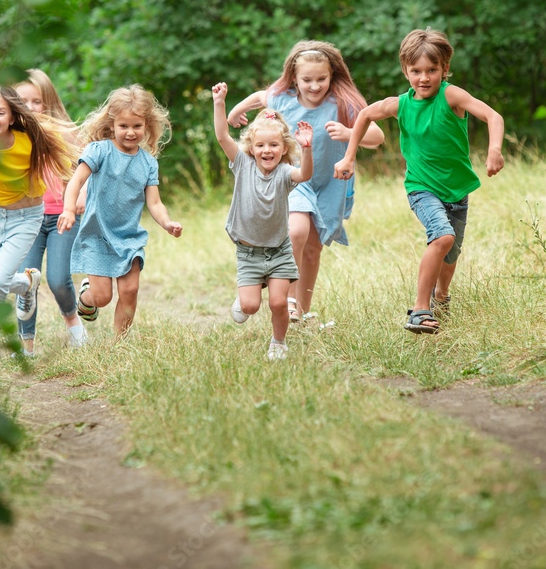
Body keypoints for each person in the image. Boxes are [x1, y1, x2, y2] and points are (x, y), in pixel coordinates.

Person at [333, 28, 505, 333]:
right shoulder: (400, 104)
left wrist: (494, 151)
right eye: (416, 71)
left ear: (444, 69)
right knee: (442, 237)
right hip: (421, 187)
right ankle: (420, 310)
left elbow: (493, 116)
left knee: (450, 256)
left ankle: (440, 297)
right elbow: (364, 116)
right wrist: (348, 156)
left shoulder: (451, 95)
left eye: (432, 70)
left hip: (457, 189)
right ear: (405, 71)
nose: (424, 78)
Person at [227, 40, 384, 326]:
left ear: (332, 76)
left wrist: (350, 132)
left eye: (321, 79)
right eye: (307, 80)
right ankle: (283, 296)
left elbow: (377, 136)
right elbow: (262, 96)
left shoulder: (342, 103)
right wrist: (235, 111)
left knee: (313, 249)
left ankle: (300, 310)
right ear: (294, 79)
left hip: (329, 184)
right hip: (293, 180)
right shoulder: (283, 98)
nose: (314, 86)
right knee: (296, 231)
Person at [0, 83, 75, 357]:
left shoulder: (27, 141)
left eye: (1, 112)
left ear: (12, 117)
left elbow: (64, 157)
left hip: (26, 218)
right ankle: (27, 284)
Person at [57, 84, 182, 339]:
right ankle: (86, 295)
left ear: (146, 125)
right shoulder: (99, 151)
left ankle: (119, 343)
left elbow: (155, 203)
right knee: (102, 298)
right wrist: (69, 210)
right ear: (112, 125)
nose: (130, 132)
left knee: (130, 291)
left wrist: (167, 223)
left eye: (137, 126)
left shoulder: (148, 163)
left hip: (128, 237)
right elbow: (77, 181)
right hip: (96, 234)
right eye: (123, 126)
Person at [212, 82, 314, 361]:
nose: (266, 150)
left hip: (279, 250)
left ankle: (278, 343)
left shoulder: (284, 172)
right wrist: (219, 102)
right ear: (251, 147)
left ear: (283, 148)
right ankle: (252, 289)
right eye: (260, 145)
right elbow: (222, 136)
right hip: (248, 251)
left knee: (279, 302)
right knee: (250, 306)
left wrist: (307, 149)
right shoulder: (242, 164)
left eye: (273, 145)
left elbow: (304, 175)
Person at [11, 69, 88, 355]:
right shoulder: (11, 138)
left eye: (37, 102)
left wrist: (81, 193)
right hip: (27, 217)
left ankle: (73, 322)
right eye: (22, 102)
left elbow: (85, 168)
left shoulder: (65, 132)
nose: (29, 108)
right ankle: (26, 344)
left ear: (49, 103)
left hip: (62, 216)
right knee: (25, 281)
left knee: (57, 279)